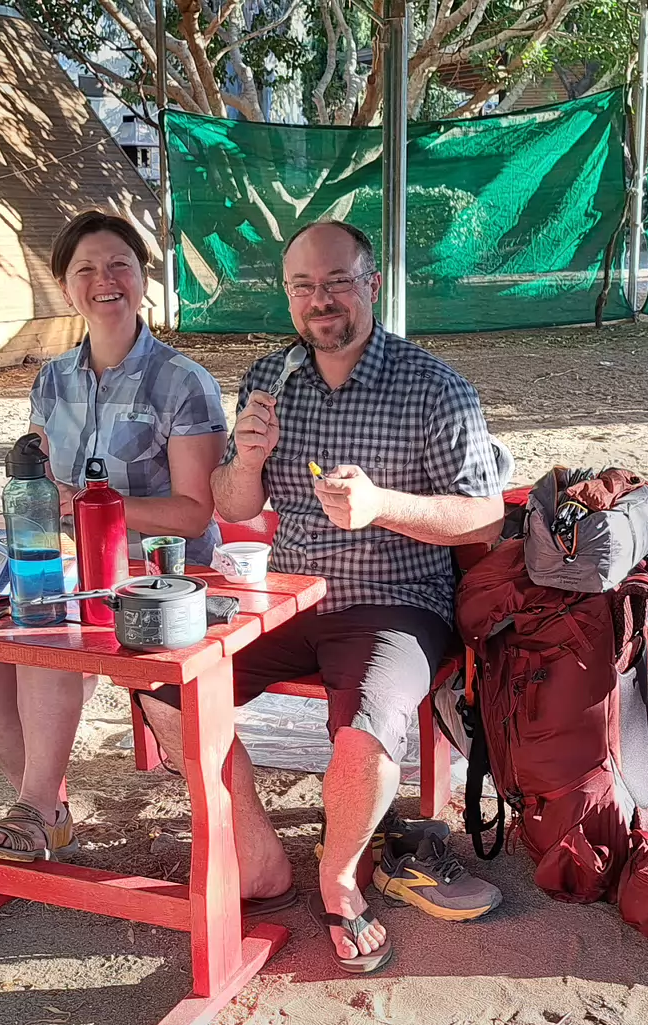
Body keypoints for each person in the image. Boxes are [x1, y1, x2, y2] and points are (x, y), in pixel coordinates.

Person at [138, 220, 510, 973]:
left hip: (395, 600)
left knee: (364, 732)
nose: (321, 300)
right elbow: (233, 506)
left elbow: (485, 517)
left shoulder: (432, 387)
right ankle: (258, 854)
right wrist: (247, 460)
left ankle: (339, 878)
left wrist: (381, 506)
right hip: (288, 597)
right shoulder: (270, 379)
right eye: (303, 286)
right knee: (163, 686)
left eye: (338, 281)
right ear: (288, 295)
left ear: (372, 283)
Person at [0, 210, 227, 863]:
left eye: (119, 265)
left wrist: (93, 507)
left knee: (44, 636)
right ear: (65, 287)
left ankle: (35, 810)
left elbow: (194, 515)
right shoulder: (52, 380)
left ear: (143, 278)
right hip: (75, 570)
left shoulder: (183, 381)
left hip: (164, 576)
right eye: (86, 270)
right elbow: (39, 483)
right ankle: (44, 806)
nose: (105, 280)